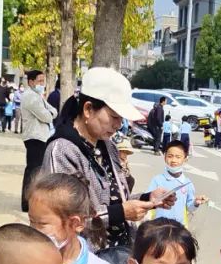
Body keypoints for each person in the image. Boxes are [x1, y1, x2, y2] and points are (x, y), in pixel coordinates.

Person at [42, 67, 175, 249]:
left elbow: (116, 200)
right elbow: (65, 217)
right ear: (88, 109)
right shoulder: (62, 150)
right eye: (114, 116)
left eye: (121, 118)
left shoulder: (107, 146)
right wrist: (120, 213)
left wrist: (148, 198)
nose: (119, 125)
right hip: (85, 259)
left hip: (120, 253)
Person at [19, 69, 58, 212]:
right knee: (33, 170)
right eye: (40, 81)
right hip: (35, 137)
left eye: (43, 81)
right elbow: (47, 116)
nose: (42, 84)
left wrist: (50, 113)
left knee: (36, 170)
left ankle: (30, 201)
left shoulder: (38, 96)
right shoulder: (31, 97)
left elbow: (53, 111)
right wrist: (50, 113)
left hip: (41, 137)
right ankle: (26, 202)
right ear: (31, 82)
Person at [148, 139, 207, 225]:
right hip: (159, 227)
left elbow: (190, 207)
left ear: (185, 159)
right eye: (170, 156)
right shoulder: (157, 180)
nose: (173, 160)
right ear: (164, 157)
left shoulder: (187, 183)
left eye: (178, 157)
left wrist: (195, 203)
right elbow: (147, 201)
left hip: (179, 228)